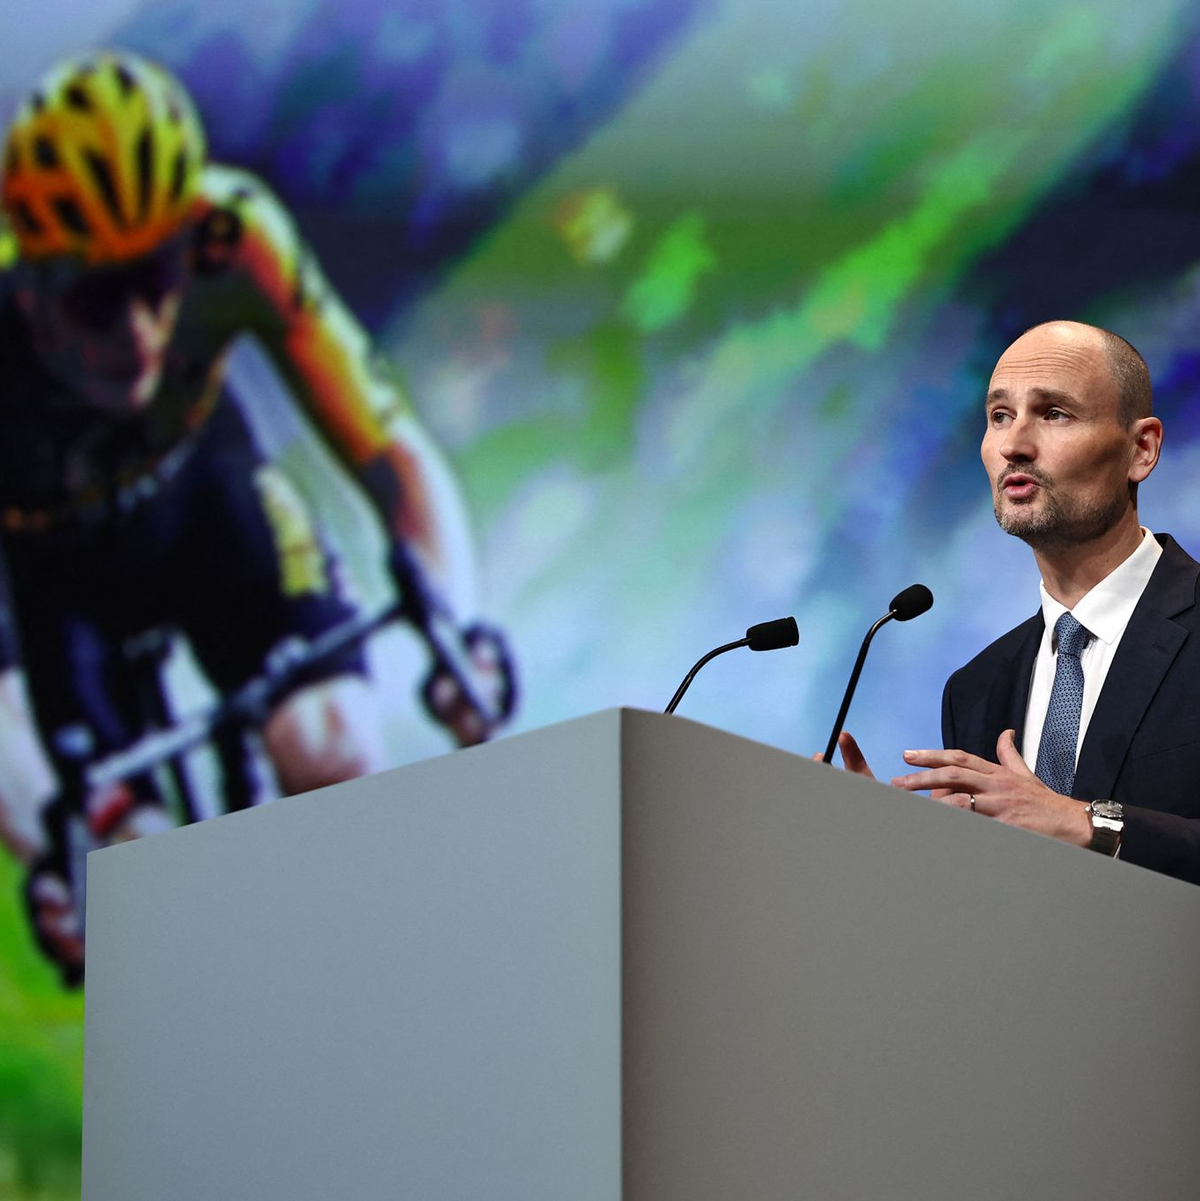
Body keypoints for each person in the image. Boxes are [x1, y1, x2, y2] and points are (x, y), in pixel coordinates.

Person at [0, 50, 512, 974]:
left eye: (158, 275)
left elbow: (389, 450)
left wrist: (459, 628)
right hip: (51, 582)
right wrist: (56, 847)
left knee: (337, 756)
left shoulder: (234, 234)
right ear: (32, 283)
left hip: (209, 505)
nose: (140, 334)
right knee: (136, 886)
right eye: (97, 298)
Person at [834, 319, 1200, 886]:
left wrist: (1088, 824)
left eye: (1053, 413)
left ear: (1141, 450)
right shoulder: (976, 689)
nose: (1013, 445)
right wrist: (898, 849)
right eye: (1000, 416)